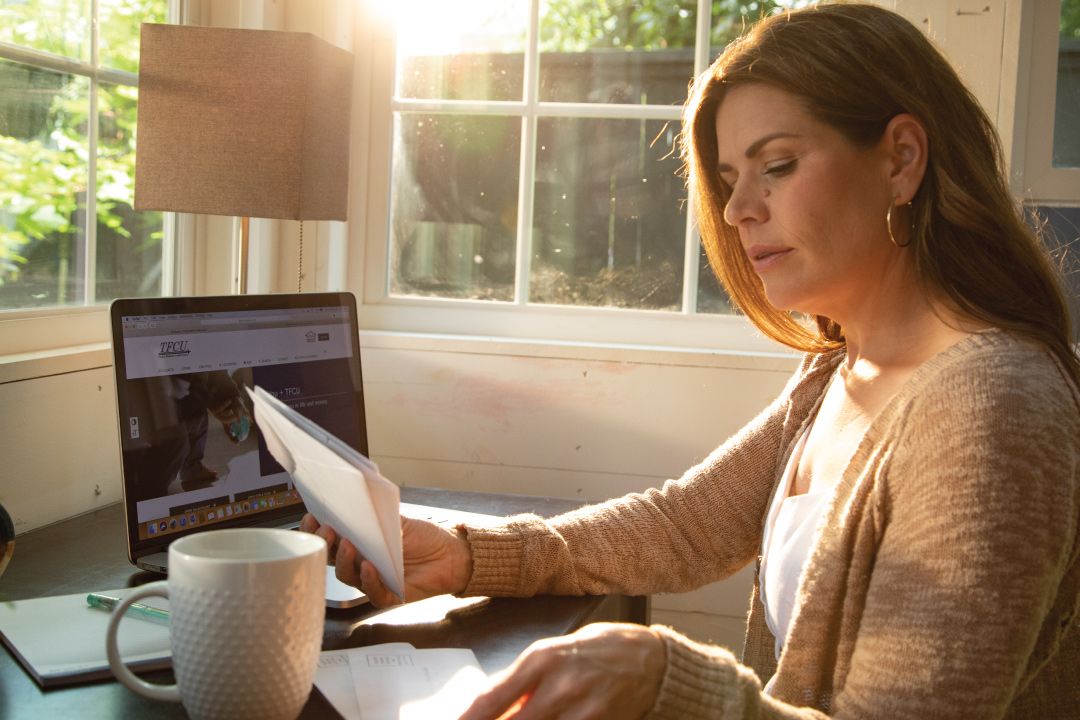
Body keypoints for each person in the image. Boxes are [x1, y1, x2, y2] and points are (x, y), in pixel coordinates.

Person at [303, 4, 1080, 718]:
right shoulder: (840, 373)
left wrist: (669, 678)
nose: (741, 210)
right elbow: (684, 526)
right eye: (731, 178)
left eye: (776, 165)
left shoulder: (994, 409)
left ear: (901, 159)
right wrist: (468, 555)